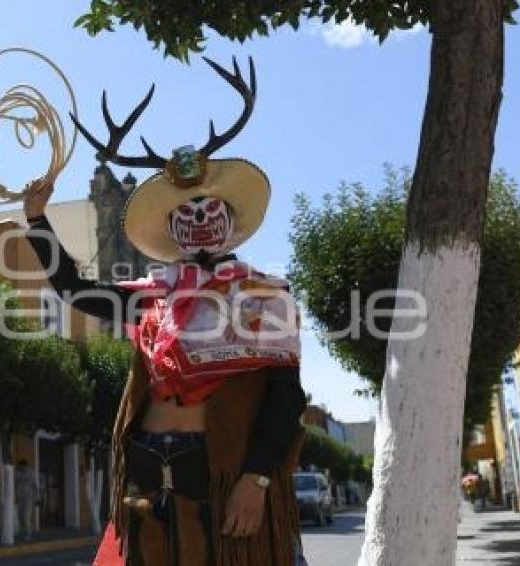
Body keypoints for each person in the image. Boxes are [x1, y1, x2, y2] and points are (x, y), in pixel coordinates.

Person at [24, 55, 307, 565]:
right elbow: (74, 289)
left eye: (207, 211)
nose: (197, 221)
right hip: (146, 467)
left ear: (230, 221)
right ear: (171, 230)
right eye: (184, 214)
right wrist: (38, 220)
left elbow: (286, 398)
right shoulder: (153, 295)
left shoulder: (266, 295)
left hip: (223, 469)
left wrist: (257, 477)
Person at [15, 459, 38, 541]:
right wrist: (15, 497)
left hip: (28, 499)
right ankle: (24, 531)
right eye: (19, 466)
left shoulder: (31, 474)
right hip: (20, 499)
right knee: (20, 517)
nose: (20, 467)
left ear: (25, 466)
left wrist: (35, 498)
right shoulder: (17, 474)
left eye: (21, 466)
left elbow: (35, 487)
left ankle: (28, 534)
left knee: (26, 517)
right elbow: (14, 485)